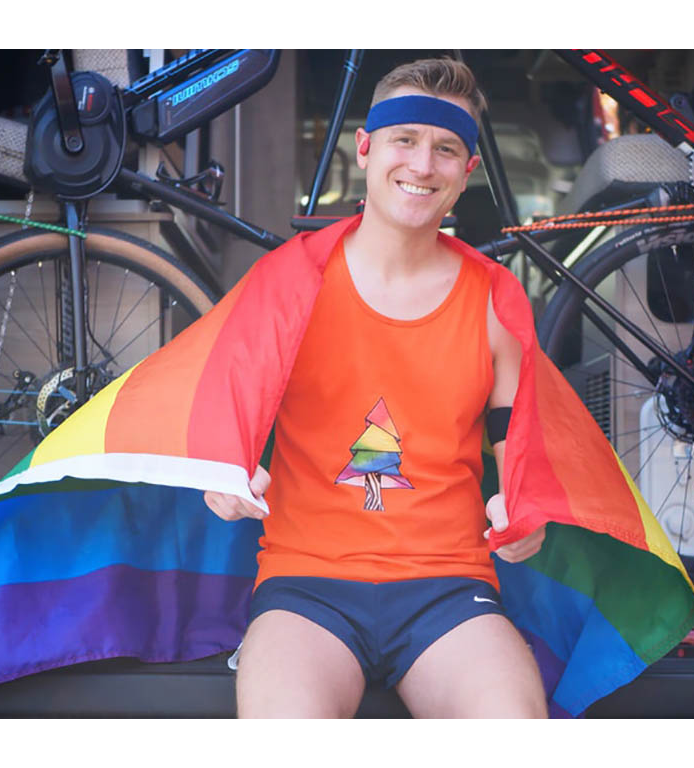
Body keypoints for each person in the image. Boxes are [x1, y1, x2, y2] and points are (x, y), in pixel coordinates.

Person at [203, 58, 549, 718]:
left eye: (447, 148)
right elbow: (226, 424)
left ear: (467, 170)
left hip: (450, 590)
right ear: (364, 148)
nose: (423, 166)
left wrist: (524, 516)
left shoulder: (496, 301)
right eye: (405, 140)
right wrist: (223, 474)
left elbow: (517, 459)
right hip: (307, 587)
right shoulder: (287, 282)